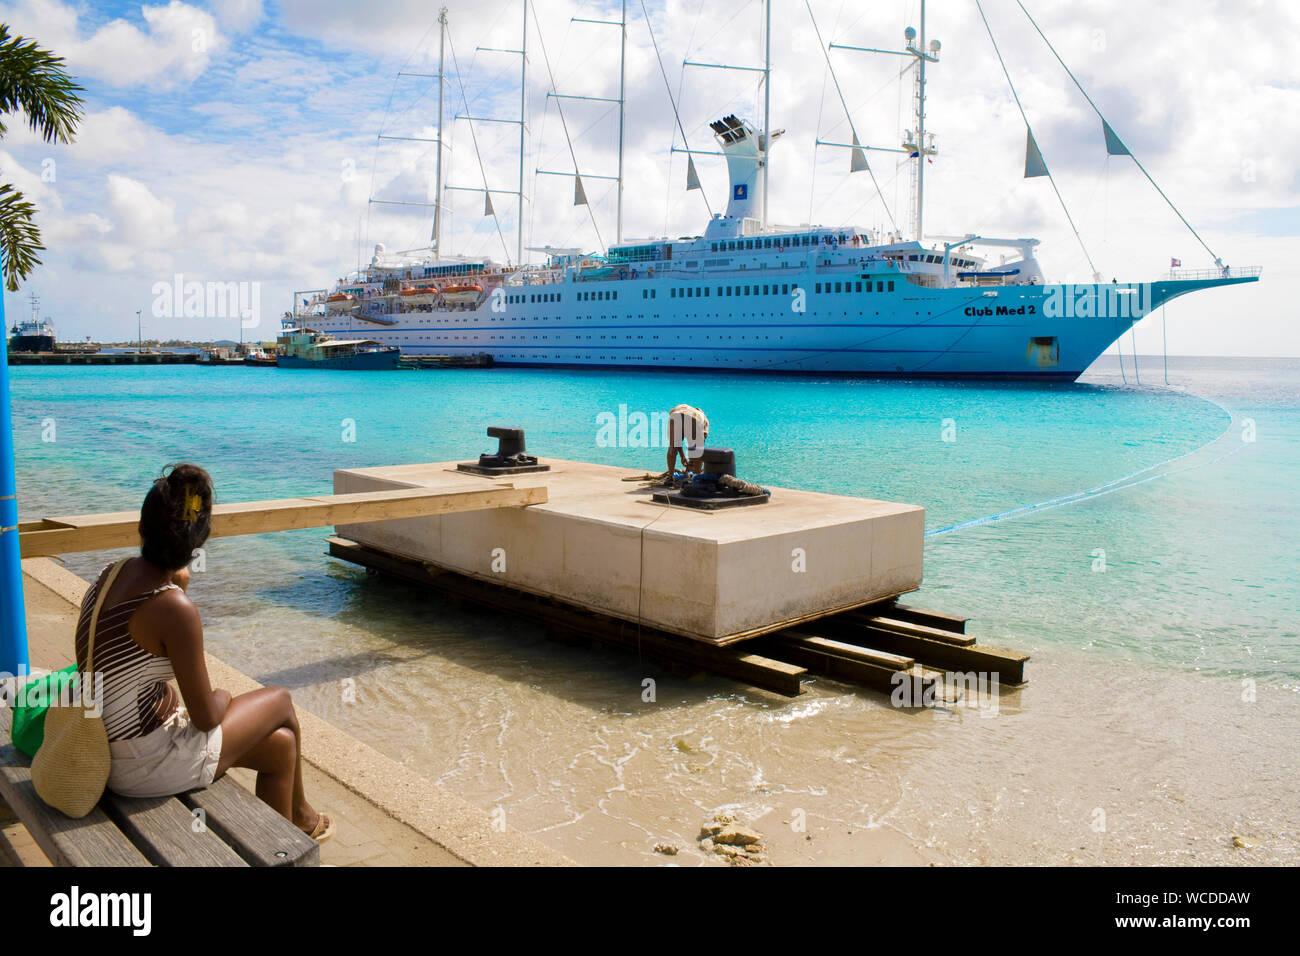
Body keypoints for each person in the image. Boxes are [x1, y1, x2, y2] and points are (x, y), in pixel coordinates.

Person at [76, 463, 333, 841]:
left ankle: (286, 838)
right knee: (279, 700)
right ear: (197, 546)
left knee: (281, 747)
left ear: (141, 528)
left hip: (105, 747)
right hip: (140, 766)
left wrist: (176, 588)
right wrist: (224, 694)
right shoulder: (173, 608)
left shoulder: (110, 573)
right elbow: (207, 718)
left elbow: (146, 649)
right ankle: (301, 818)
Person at [666, 404, 709, 477]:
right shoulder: (703, 418)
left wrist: (682, 456)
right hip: (693, 419)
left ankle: (670, 477)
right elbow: (702, 439)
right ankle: (696, 478)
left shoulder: (683, 407)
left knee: (672, 448)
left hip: (675, 416)